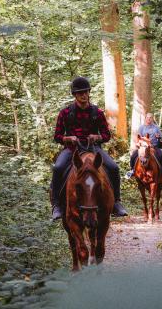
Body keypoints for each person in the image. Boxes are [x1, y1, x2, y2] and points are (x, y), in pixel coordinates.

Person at [50, 77, 128, 220]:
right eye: (80, 93)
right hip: (72, 150)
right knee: (58, 168)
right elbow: (57, 136)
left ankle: (116, 202)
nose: (83, 95)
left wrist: (96, 137)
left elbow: (106, 135)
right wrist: (68, 138)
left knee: (114, 168)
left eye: (85, 92)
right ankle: (56, 205)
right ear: (75, 95)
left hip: (93, 149)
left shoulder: (97, 112)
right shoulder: (65, 113)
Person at [125, 113, 162, 181]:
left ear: (152, 119)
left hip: (154, 147)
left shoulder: (156, 127)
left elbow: (161, 138)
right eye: (147, 117)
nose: (149, 119)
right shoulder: (141, 128)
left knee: (161, 155)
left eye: (150, 118)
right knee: (133, 155)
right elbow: (139, 138)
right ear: (145, 118)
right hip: (143, 147)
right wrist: (139, 143)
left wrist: (159, 137)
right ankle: (132, 170)